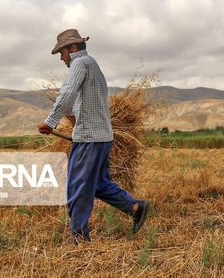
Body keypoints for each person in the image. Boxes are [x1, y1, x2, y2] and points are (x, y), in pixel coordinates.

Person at [38, 29, 149, 242]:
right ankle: (135, 207)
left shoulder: (80, 64)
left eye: (62, 53)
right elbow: (82, 99)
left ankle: (79, 239)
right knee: (98, 185)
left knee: (77, 188)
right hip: (102, 137)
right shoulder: (92, 64)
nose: (62, 59)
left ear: (72, 48)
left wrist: (50, 122)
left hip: (88, 138)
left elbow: (67, 92)